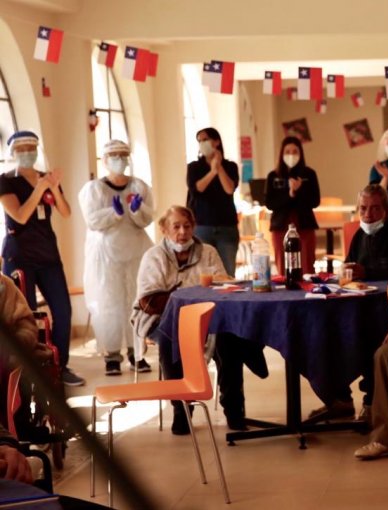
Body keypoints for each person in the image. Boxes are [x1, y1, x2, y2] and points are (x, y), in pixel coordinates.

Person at [132, 206, 268, 434]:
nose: (182, 232)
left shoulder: (208, 252)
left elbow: (223, 285)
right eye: (176, 226)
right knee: (170, 336)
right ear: (164, 229)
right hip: (162, 317)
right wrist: (190, 299)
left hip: (209, 315)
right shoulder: (154, 256)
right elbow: (149, 300)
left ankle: (234, 410)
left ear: (194, 227)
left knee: (228, 337)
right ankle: (181, 409)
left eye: (187, 226)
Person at [337, 185, 388, 463]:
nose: (368, 214)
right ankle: (385, 437)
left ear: (385, 209)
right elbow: (350, 267)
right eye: (363, 208)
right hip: (371, 312)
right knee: (379, 354)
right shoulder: (359, 236)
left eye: (374, 208)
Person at [0, 131, 84, 387]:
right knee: (23, 314)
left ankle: (59, 366)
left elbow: (66, 212)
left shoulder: (45, 178)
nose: (27, 152)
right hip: (19, 254)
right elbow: (22, 215)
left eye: (31, 147)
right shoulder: (5, 181)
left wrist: (53, 187)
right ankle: (27, 368)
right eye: (22, 148)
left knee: (63, 310)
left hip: (47, 253)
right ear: (13, 153)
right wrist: (40, 187)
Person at [78, 140, 154, 376]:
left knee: (136, 301)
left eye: (123, 155)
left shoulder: (139, 186)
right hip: (105, 256)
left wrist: (135, 211)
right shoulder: (94, 189)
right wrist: (114, 213)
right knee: (108, 305)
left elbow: (146, 218)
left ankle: (137, 353)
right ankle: (112, 355)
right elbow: (92, 220)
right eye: (114, 155)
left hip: (135, 251)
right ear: (104, 160)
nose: (119, 159)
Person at [186, 127, 239, 276]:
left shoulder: (230, 166)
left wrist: (219, 167)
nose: (202, 143)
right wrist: (212, 172)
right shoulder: (194, 167)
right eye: (200, 141)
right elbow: (197, 189)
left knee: (227, 271)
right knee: (204, 272)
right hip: (202, 225)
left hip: (227, 227)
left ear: (216, 142)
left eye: (205, 139)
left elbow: (229, 188)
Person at [265, 136, 320, 275]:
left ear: (300, 154)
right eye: (287, 151)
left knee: (307, 266)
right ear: (281, 154)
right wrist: (290, 193)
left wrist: (299, 191)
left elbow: (315, 201)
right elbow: (270, 203)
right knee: (283, 268)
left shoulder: (309, 174)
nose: (291, 155)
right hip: (281, 225)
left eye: (295, 151)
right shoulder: (273, 176)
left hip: (304, 225)